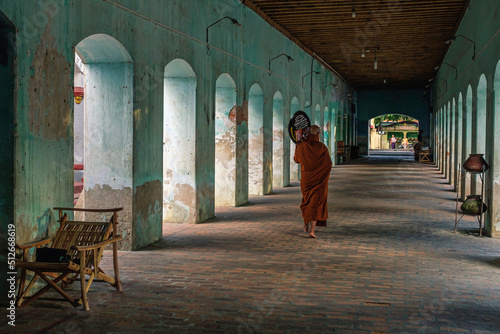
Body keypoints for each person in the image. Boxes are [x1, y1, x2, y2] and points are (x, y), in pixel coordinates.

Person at [293, 125, 332, 238]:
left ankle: (306, 222)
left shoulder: (301, 145)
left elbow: (296, 160)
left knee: (307, 201)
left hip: (306, 180)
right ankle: (312, 231)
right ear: (318, 135)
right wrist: (322, 174)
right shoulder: (322, 147)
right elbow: (328, 164)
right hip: (319, 182)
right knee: (316, 203)